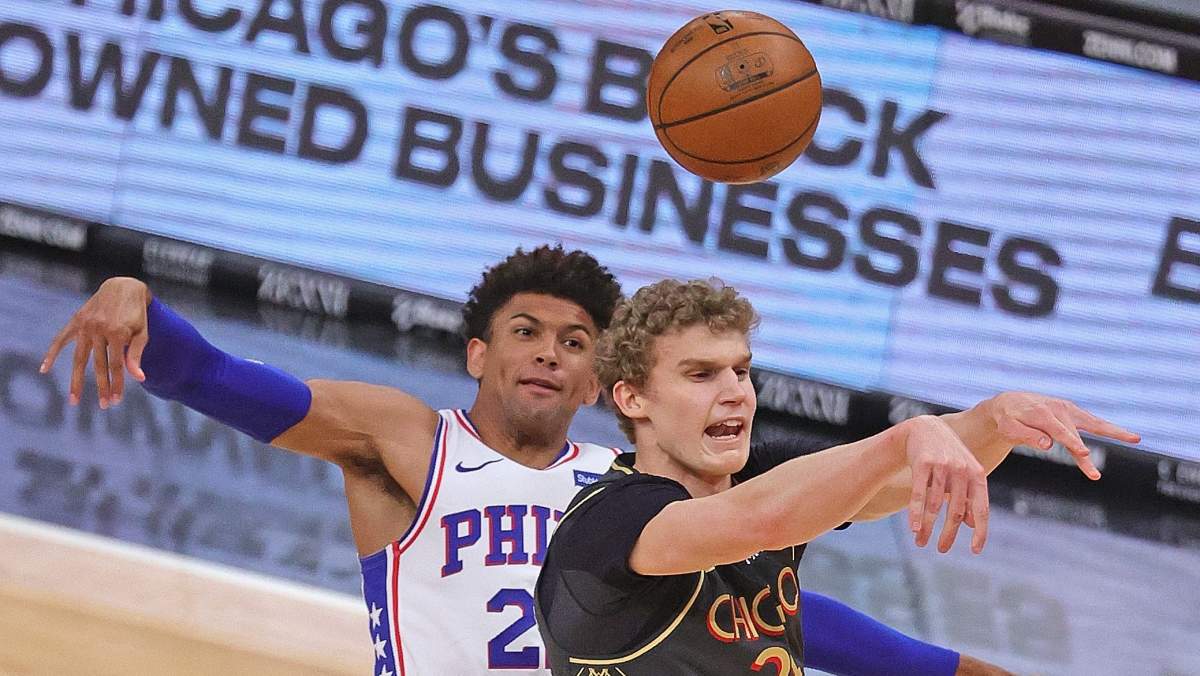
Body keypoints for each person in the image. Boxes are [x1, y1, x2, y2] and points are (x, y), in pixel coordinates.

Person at [43, 246, 1016, 675]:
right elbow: (218, 379)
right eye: (526, 331)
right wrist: (138, 301)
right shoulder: (407, 440)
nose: (550, 353)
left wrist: (935, 667)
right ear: (478, 353)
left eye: (575, 341)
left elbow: (760, 606)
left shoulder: (630, 496)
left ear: (603, 381)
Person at [535, 278, 1139, 674]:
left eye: (741, 371)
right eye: (701, 375)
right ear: (632, 398)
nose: (735, 392)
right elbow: (760, 521)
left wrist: (995, 419)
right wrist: (903, 438)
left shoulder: (766, 474)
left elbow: (894, 482)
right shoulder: (610, 520)